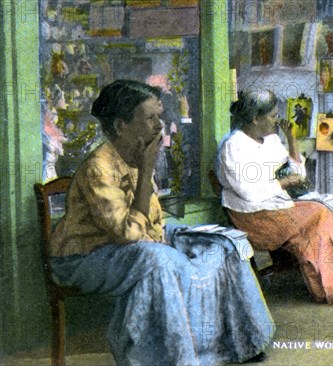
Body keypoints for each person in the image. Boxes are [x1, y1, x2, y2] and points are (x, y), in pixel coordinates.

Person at [49, 80, 273, 365]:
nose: (159, 125)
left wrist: (166, 235)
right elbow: (128, 234)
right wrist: (147, 170)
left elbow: (151, 224)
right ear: (120, 126)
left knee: (224, 243)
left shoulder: (136, 154)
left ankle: (240, 343)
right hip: (85, 258)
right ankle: (172, 358)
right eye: (151, 118)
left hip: (138, 244)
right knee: (158, 260)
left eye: (160, 117)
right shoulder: (99, 167)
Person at [216, 90, 333, 304]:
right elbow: (248, 192)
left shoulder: (271, 139)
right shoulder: (233, 146)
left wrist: (292, 141)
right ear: (255, 118)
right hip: (255, 217)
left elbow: (299, 174)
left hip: (277, 205)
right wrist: (285, 182)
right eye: (273, 116)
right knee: (322, 214)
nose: (277, 121)